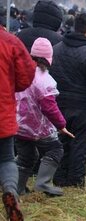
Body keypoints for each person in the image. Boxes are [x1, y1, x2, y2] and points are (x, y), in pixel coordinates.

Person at [50, 13, 86, 187]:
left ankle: (58, 178)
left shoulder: (56, 49)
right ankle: (75, 182)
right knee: (81, 145)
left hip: (59, 105)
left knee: (61, 143)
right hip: (84, 108)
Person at [15, 38, 74, 197]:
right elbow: (49, 108)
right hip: (38, 128)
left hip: (19, 126)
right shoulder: (44, 80)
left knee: (26, 157)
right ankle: (43, 183)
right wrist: (61, 125)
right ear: (49, 58)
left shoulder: (20, 72)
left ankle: (18, 187)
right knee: (55, 149)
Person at [0, 26, 35, 221]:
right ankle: (11, 192)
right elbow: (26, 76)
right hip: (2, 112)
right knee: (6, 159)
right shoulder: (10, 41)